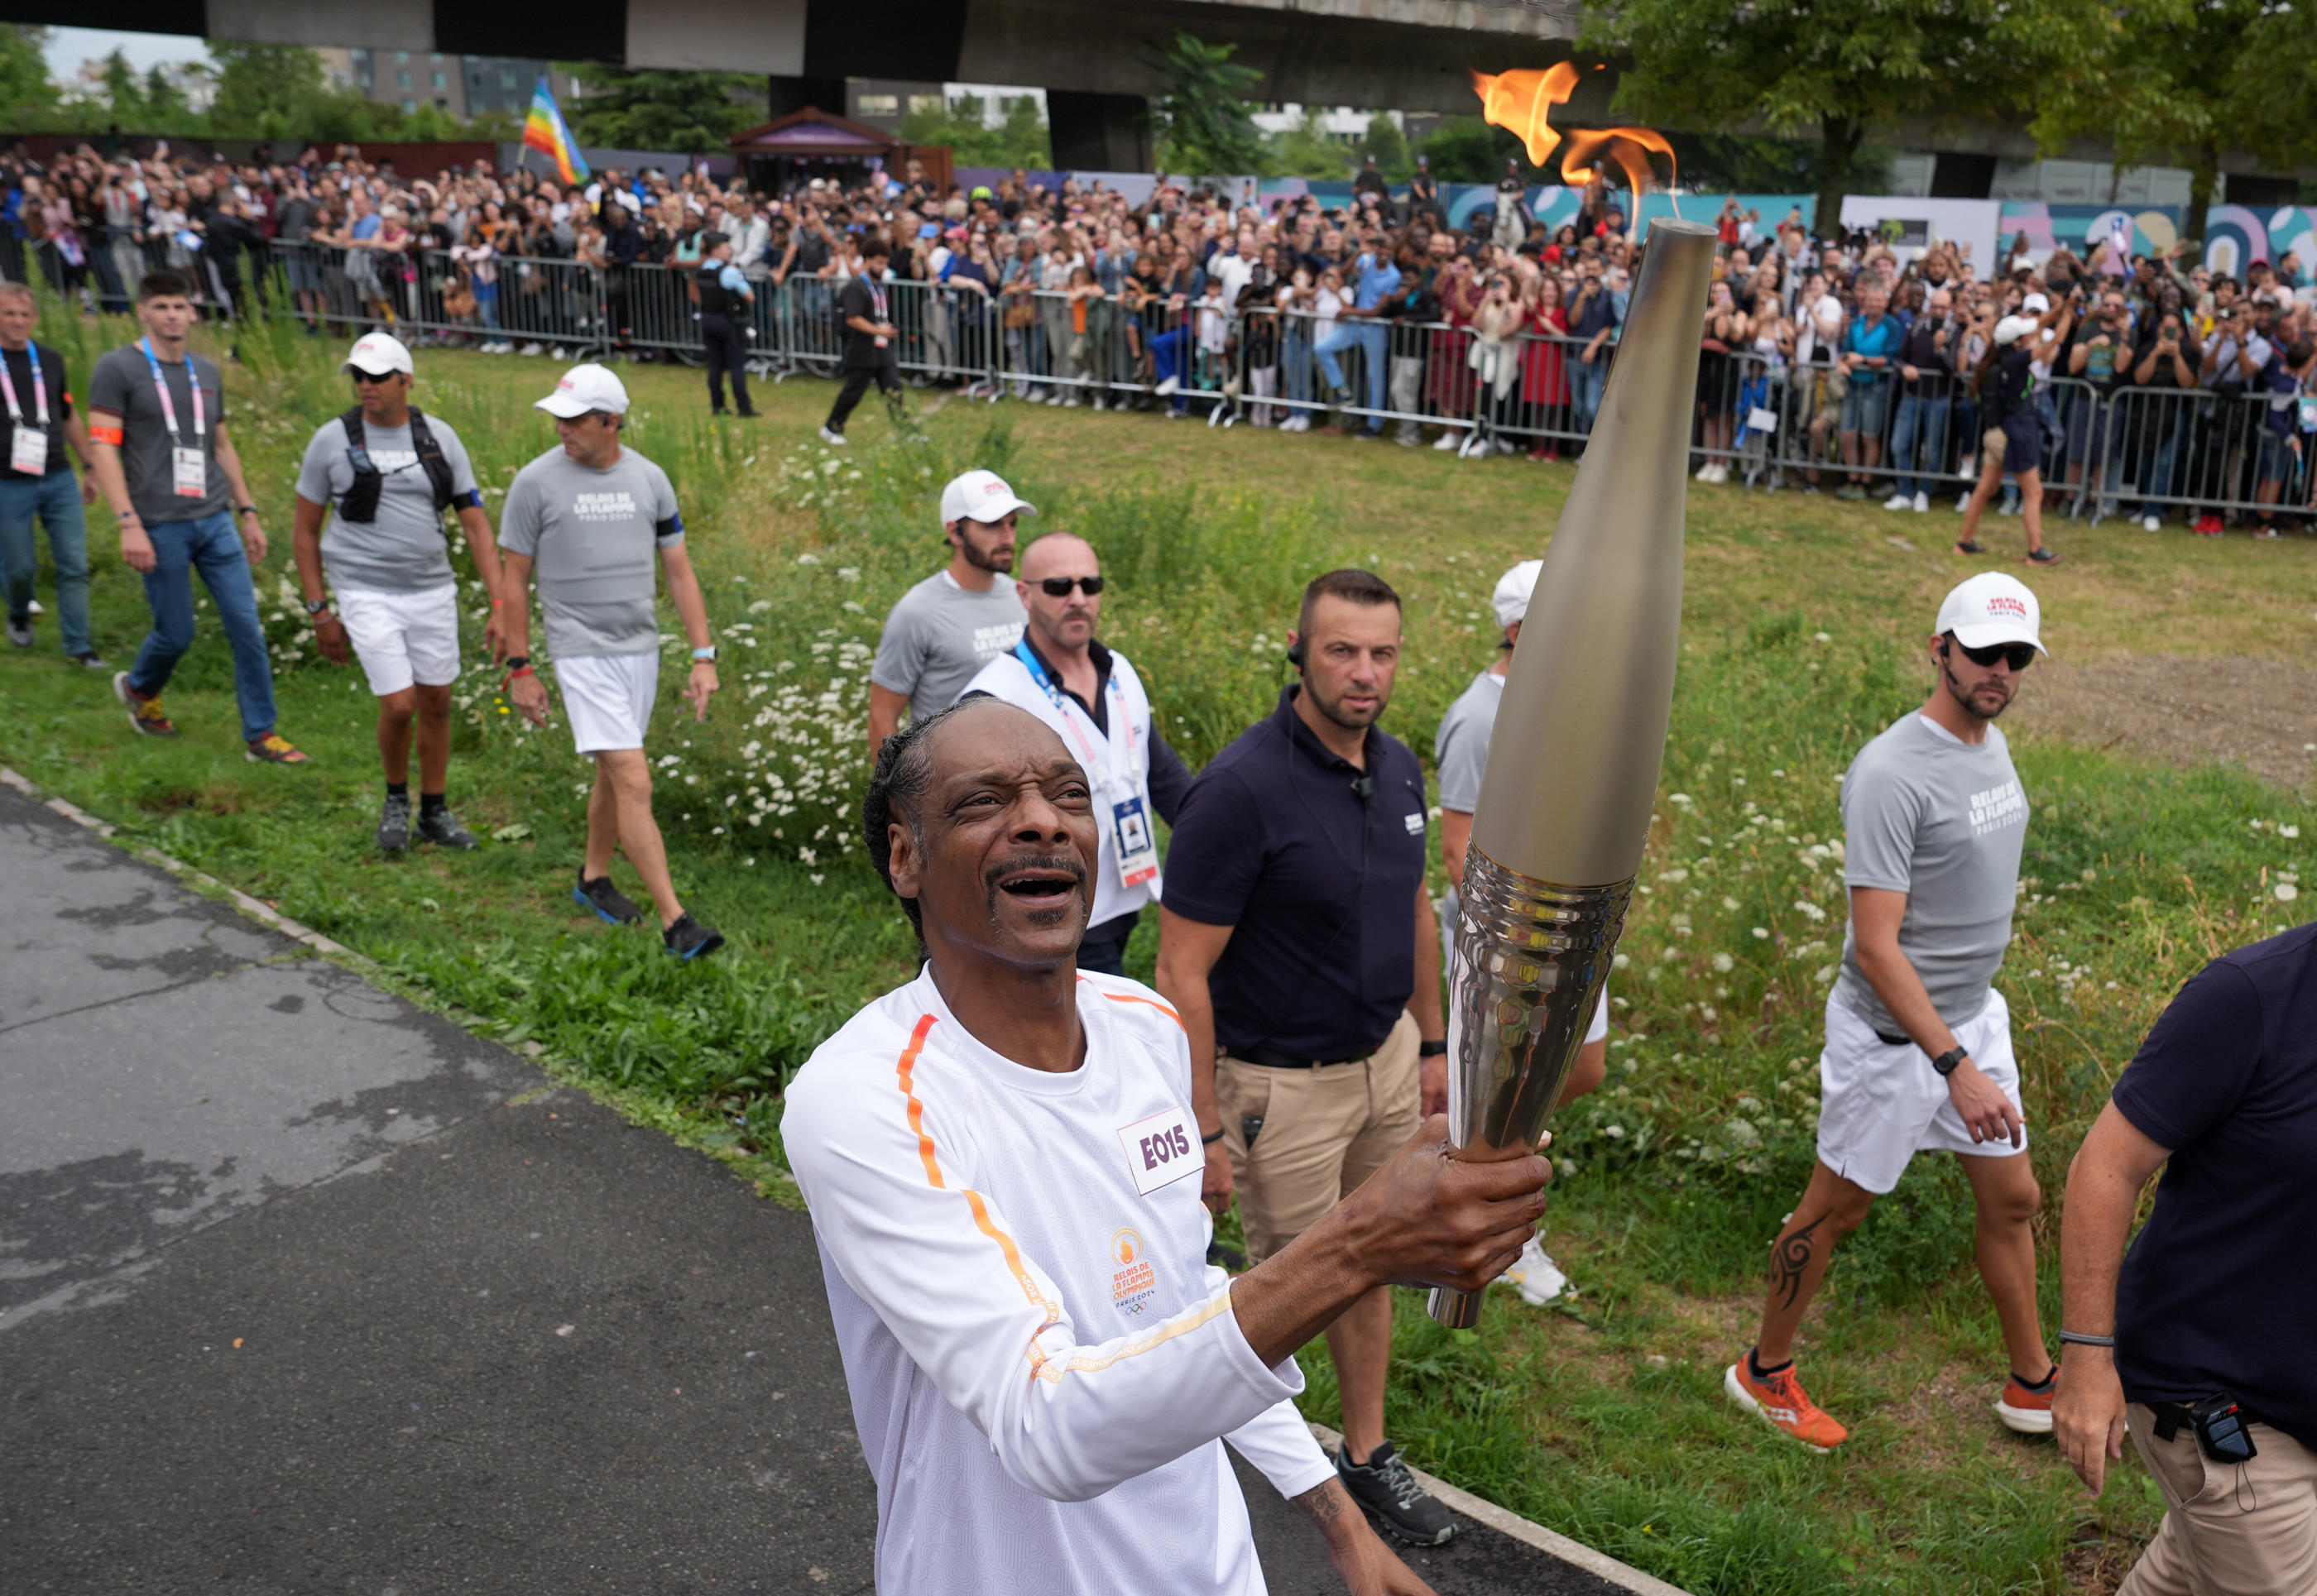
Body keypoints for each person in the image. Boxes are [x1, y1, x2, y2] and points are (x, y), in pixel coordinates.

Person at [784, 693, 1547, 1594]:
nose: (1041, 821)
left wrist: (1333, 1511)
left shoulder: (1145, 1026)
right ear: (904, 857)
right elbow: (1046, 1425)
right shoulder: (866, 1098)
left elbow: (1184, 1298)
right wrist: (1360, 1243)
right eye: (984, 803)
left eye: (1069, 796)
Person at [1154, 569, 1456, 1545]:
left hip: (1384, 1061)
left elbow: (1414, 910)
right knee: (1285, 1295)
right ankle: (1230, 1479)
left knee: (1370, 1267)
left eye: (1382, 654)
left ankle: (1363, 1458)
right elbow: (1178, 967)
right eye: (1342, 651)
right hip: (1280, 1089)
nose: (1365, 673)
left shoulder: (1400, 767)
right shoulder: (1239, 792)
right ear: (1299, 652)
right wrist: (1201, 1123)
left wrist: (1436, 1046)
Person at [1727, 573, 2052, 1451]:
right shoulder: (1889, 772)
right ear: (1939, 647)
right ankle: (1762, 1372)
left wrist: (1968, 1044)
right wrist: (1955, 1066)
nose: (2000, 670)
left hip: (1972, 1017)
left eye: (2016, 656)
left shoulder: (1988, 743)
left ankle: (2033, 1385)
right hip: (1894, 1039)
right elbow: (1876, 945)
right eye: (1983, 651)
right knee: (1835, 1211)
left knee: (2014, 1198)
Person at [2051, 921, 2316, 1595]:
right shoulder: (2250, 999)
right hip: (2219, 1394)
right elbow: (2104, 1168)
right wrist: (2086, 1358)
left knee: (2188, 1575)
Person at [496, 363, 724, 961]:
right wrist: (520, 666)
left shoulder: (649, 479)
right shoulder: (534, 484)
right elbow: (513, 578)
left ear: (612, 421)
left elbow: (679, 570)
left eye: (574, 420)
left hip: (639, 650)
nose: (561, 429)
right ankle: (678, 923)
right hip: (579, 651)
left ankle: (593, 877)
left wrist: (704, 655)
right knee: (631, 775)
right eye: (558, 418)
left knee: (611, 772)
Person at [1432, 559, 1606, 1306]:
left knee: (1583, 1068)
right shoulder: (1480, 716)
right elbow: (1456, 847)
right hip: (1511, 947)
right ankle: (1495, 1233)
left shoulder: (1569, 703)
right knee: (1503, 1085)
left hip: (1573, 932)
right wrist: (1520, 953)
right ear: (1518, 629)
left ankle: (1470, 1172)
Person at [290, 332, 506, 853]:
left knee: (437, 700)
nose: (366, 387)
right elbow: (304, 530)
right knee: (399, 704)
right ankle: (394, 800)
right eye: (358, 377)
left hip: (431, 588)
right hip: (364, 589)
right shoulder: (331, 440)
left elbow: (475, 524)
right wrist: (320, 611)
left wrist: (501, 605)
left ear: (405, 381)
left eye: (378, 378)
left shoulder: (439, 438)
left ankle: (435, 810)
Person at [89, 268, 305, 763]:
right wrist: (127, 523)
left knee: (246, 625)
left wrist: (247, 511)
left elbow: (222, 444)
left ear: (192, 311)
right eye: (161, 306)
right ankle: (142, 689)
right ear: (143, 311)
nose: (171, 316)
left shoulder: (206, 372)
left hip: (214, 517)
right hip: (158, 522)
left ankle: (261, 734)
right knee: (176, 632)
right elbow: (104, 450)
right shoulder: (117, 369)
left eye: (179, 306)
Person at [959, 532, 1193, 976]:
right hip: (1053, 913)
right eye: (1059, 586)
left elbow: (1159, 776)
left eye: (1091, 585)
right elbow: (969, 827)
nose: (1079, 599)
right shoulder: (994, 700)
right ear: (1024, 594)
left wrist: (1231, 838)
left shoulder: (1119, 670)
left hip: (1126, 895)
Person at [866, 469, 1031, 751]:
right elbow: (882, 716)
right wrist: (892, 794)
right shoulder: (918, 612)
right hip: (950, 783)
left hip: (1024, 775)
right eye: (992, 525)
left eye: (1012, 524)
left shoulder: (1022, 596)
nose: (1007, 538)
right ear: (955, 532)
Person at [0, 280, 103, 666]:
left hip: (57, 474)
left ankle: (79, 645)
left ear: (35, 319)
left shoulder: (50, 359)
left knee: (74, 563)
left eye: (25, 314)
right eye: (9, 313)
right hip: (8, 480)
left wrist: (89, 464)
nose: (17, 321)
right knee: (20, 566)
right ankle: (19, 610)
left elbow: (67, 414)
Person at [1956, 301, 2071, 566]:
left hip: (1995, 435)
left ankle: (1964, 542)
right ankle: (2035, 551)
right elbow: (2058, 340)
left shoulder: (1996, 359)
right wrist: (2066, 314)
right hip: (2013, 435)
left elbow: (2038, 327)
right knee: (2034, 493)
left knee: (1985, 488)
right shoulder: (2017, 360)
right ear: (2017, 341)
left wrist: (2063, 306)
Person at [819, 235, 902, 445]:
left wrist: (884, 330)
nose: (883, 267)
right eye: (879, 262)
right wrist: (878, 331)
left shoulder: (879, 285)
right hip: (861, 349)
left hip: (881, 349)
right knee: (853, 392)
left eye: (885, 263)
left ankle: (905, 429)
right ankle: (831, 428)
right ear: (867, 260)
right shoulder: (857, 286)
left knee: (894, 389)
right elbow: (853, 318)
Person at [694, 229, 758, 419]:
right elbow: (750, 297)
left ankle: (717, 406)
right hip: (727, 321)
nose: (729, 251)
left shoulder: (702, 269)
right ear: (715, 249)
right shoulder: (728, 271)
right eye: (725, 247)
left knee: (715, 365)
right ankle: (744, 408)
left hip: (707, 319)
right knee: (736, 365)